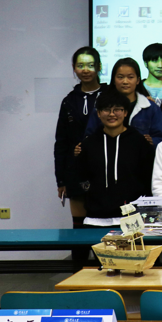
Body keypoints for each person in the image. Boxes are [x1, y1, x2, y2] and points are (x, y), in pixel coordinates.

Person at [75, 88, 155, 221]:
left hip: (132, 219)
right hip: (95, 219)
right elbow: (80, 178)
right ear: (98, 113)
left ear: (125, 112)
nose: (112, 114)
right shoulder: (88, 145)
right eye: (106, 110)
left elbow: (148, 179)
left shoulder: (140, 143)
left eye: (117, 109)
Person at [55, 47, 104, 232]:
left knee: (105, 224)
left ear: (99, 67)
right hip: (75, 170)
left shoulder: (110, 95)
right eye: (80, 65)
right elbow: (61, 142)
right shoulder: (68, 101)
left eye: (90, 65)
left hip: (104, 168)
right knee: (79, 228)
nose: (85, 70)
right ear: (74, 68)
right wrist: (61, 180)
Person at [86, 57, 162, 146]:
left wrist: (152, 141)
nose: (125, 81)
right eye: (120, 77)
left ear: (138, 80)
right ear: (113, 80)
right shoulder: (102, 105)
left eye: (130, 77)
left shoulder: (150, 108)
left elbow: (161, 138)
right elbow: (89, 135)